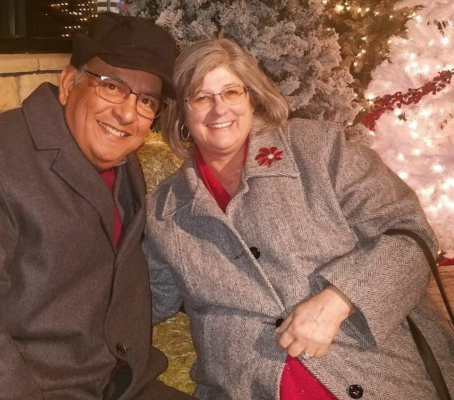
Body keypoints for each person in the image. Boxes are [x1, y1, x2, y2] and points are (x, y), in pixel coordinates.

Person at [0, 12, 197, 400]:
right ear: (68, 83)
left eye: (146, 100)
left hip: (118, 383)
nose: (127, 113)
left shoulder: (123, 164)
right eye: (111, 86)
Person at [143, 38, 454, 400]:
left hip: (375, 374)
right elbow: (143, 300)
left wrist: (342, 298)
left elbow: (411, 233)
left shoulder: (319, 149)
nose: (218, 109)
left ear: (252, 97)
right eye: (200, 97)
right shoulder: (165, 209)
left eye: (231, 92)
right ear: (181, 112)